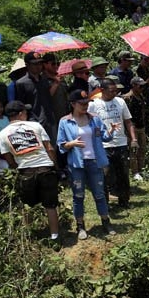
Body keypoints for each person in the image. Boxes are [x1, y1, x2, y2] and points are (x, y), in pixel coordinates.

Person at [58, 89, 118, 238]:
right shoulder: (65, 121)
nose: (85, 106)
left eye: (87, 103)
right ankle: (80, 226)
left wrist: (110, 132)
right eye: (82, 103)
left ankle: (105, 221)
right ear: (73, 104)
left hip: (95, 162)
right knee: (78, 195)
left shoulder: (95, 119)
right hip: (77, 164)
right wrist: (71, 143)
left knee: (99, 194)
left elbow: (104, 138)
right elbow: (60, 145)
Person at [0, 101, 60, 240]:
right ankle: (55, 236)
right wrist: (56, 167)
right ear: (20, 113)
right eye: (25, 112)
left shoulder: (2, 134)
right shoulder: (35, 126)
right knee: (50, 206)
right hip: (45, 168)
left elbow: (8, 158)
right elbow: (49, 148)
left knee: (27, 205)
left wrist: (18, 168)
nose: (26, 114)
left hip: (25, 172)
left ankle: (30, 237)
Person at [89, 78, 136, 209]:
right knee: (105, 175)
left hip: (120, 142)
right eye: (111, 91)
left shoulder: (120, 102)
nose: (114, 93)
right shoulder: (93, 105)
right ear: (102, 90)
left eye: (115, 91)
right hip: (103, 145)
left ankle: (124, 200)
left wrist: (133, 139)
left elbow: (128, 121)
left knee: (123, 173)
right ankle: (105, 202)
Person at [15, 51, 56, 143]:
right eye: (35, 64)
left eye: (40, 63)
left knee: (53, 149)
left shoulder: (45, 80)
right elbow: (21, 105)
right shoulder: (21, 83)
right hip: (33, 122)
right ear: (27, 65)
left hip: (49, 120)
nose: (38, 66)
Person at [123, 76, 149, 181]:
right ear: (133, 85)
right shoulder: (128, 98)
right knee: (133, 150)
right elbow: (126, 117)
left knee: (142, 149)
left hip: (141, 126)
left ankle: (141, 169)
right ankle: (135, 172)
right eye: (140, 86)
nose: (142, 88)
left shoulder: (141, 96)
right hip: (132, 127)